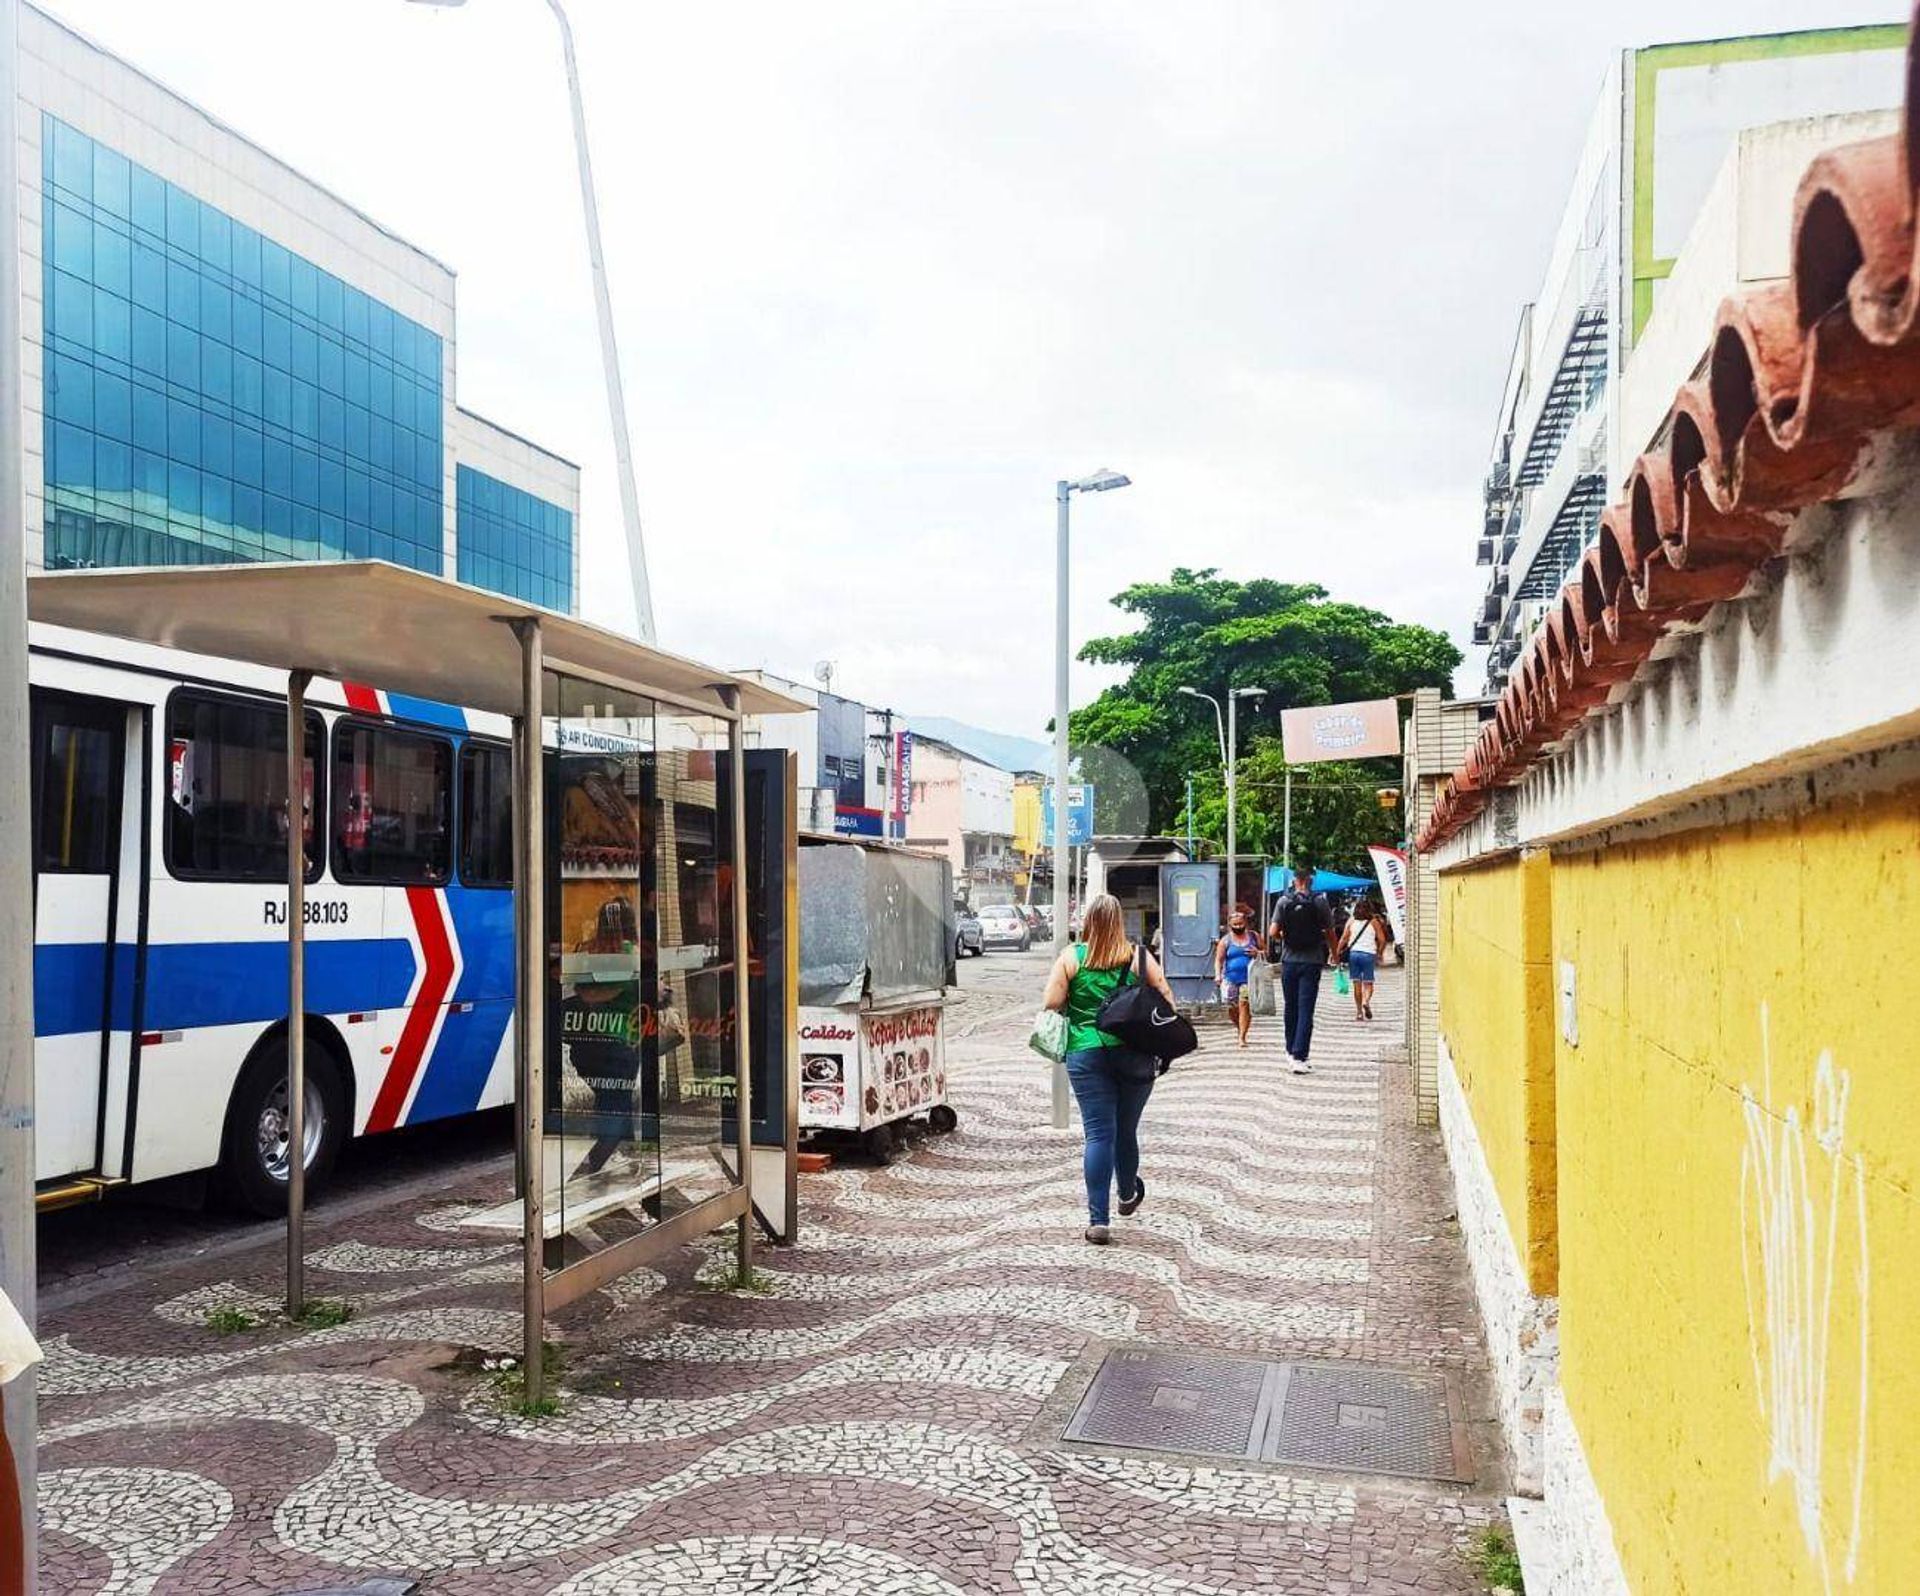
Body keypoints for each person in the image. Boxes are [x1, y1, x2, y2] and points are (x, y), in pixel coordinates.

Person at [1042, 892, 1178, 1245]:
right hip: (1134, 1054)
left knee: (1099, 1134)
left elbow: (1051, 1002)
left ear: (1087, 922)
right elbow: (1166, 999)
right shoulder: (1138, 958)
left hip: (1085, 1052)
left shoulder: (1072, 957)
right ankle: (1128, 1194)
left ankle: (1097, 1220)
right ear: (1119, 922)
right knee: (1126, 1129)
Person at [1268, 865, 1336, 1073]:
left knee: (1291, 1006)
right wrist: (1334, 953)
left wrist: (1285, 937)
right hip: (1312, 961)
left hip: (1289, 961)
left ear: (1294, 880)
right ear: (1310, 880)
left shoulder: (1284, 901)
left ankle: (1290, 1050)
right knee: (1306, 1008)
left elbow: (1272, 932)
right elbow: (1330, 931)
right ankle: (1300, 1054)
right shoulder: (1319, 901)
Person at [1212, 908, 1260, 1049]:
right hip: (1230, 978)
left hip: (1249, 978)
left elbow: (1266, 952)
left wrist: (1258, 952)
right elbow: (1219, 960)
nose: (1238, 926)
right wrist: (1218, 975)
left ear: (1246, 922)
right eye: (1235, 924)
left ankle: (1242, 1037)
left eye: (1240, 923)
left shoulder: (1254, 936)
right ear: (1230, 925)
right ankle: (1239, 1025)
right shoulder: (1225, 941)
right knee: (1232, 1007)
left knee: (1244, 1005)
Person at [1339, 895, 1391, 1022]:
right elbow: (1382, 940)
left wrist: (1336, 952)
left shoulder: (1351, 921)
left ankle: (1358, 1013)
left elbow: (1344, 939)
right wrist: (1379, 953)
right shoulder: (1373, 922)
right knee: (1368, 982)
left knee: (1356, 983)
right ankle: (1366, 1002)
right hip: (1368, 955)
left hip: (1354, 954)